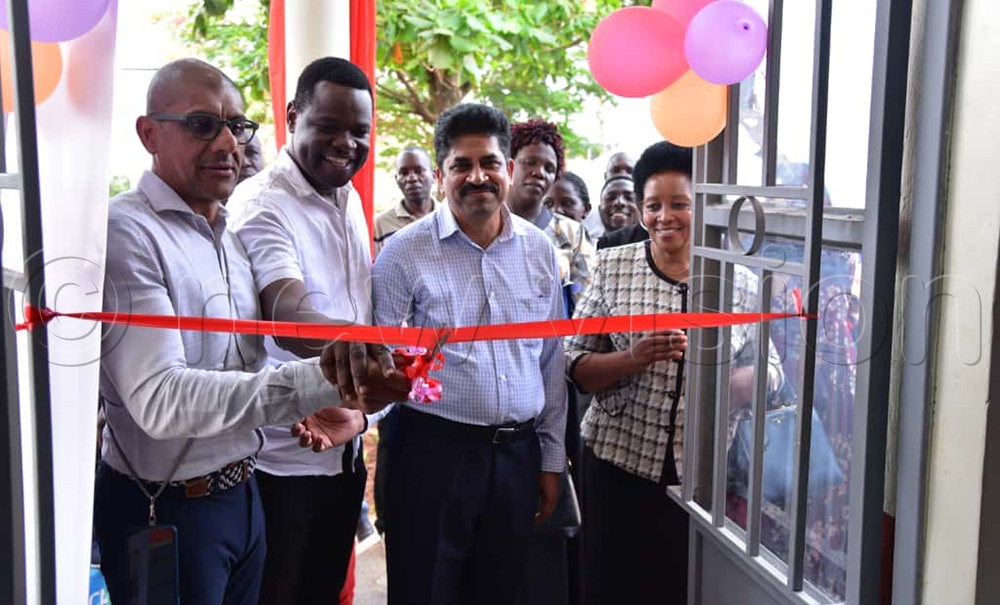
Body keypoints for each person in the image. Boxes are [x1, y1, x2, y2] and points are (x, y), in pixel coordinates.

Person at [95, 58, 377, 605]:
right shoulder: (125, 231)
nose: (228, 142)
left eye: (237, 126)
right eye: (203, 124)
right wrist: (333, 373)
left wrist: (355, 381)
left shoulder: (225, 231)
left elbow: (247, 357)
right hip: (166, 505)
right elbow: (162, 400)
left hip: (241, 495)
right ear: (148, 133)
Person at [565, 141, 784, 605]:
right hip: (616, 468)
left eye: (680, 204)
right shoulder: (613, 267)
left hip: (700, 478)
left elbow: (773, 370)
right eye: (654, 206)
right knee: (609, 587)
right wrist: (634, 358)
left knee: (680, 589)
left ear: (701, 206)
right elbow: (575, 367)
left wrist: (745, 382)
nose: (666, 216)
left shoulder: (738, 281)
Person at [372, 103, 568, 605]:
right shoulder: (402, 254)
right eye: (462, 165)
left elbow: (549, 359)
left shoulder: (540, 251)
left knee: (500, 590)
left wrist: (549, 458)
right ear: (441, 176)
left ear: (508, 169)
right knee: (425, 589)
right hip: (431, 454)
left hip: (517, 458)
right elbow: (382, 363)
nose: (477, 177)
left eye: (489, 163)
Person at [230, 57, 406, 604]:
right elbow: (287, 309)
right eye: (328, 127)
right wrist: (363, 347)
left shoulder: (347, 197)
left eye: (360, 132)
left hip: (342, 453)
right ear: (291, 117)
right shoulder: (262, 204)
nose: (346, 144)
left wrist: (363, 409)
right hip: (280, 465)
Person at [506, 119, 595, 310]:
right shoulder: (483, 225)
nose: (539, 173)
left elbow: (588, 305)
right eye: (529, 163)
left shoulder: (572, 233)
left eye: (549, 169)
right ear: (508, 166)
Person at [373, 146, 437, 255]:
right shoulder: (380, 225)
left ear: (434, 175)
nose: (411, 178)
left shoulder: (450, 217)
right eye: (404, 173)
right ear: (396, 180)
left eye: (419, 171)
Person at [595, 174, 647, 250]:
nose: (619, 202)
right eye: (611, 198)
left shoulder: (653, 248)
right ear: (599, 209)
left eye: (629, 198)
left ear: (642, 207)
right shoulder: (588, 247)